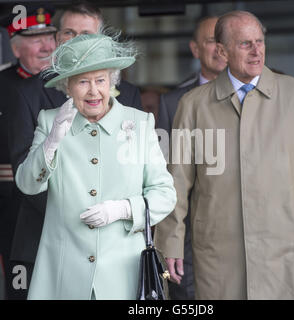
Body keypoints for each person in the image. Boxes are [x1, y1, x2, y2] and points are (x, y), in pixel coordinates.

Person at [154, 10, 294, 299]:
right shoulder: (193, 104)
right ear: (222, 51)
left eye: (259, 41)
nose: (256, 51)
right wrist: (171, 242)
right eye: (244, 44)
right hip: (218, 254)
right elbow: (176, 180)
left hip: (285, 248)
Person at [15, 33, 176, 300]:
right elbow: (28, 184)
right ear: (68, 87)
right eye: (82, 82)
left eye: (100, 80)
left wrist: (123, 209)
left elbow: (165, 194)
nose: (93, 91)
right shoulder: (50, 121)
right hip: (63, 275)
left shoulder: (140, 123)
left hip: (123, 276)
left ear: (112, 82)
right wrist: (51, 143)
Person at [7, 2, 142, 299]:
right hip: (45, 238)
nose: (78, 40)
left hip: (114, 243)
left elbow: (135, 172)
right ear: (57, 39)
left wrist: (115, 213)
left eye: (86, 33)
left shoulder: (129, 96)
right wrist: (73, 215)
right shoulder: (27, 94)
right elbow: (24, 170)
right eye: (69, 32)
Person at [156, 16, 226, 300]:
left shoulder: (264, 96)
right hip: (191, 239)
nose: (220, 49)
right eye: (212, 40)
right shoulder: (173, 102)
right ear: (195, 49)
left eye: (226, 41)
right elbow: (163, 174)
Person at [0, 4, 57, 299]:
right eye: (37, 40)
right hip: (11, 205)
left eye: (50, 37)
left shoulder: (70, 84)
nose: (47, 46)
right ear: (16, 47)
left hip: (61, 200)